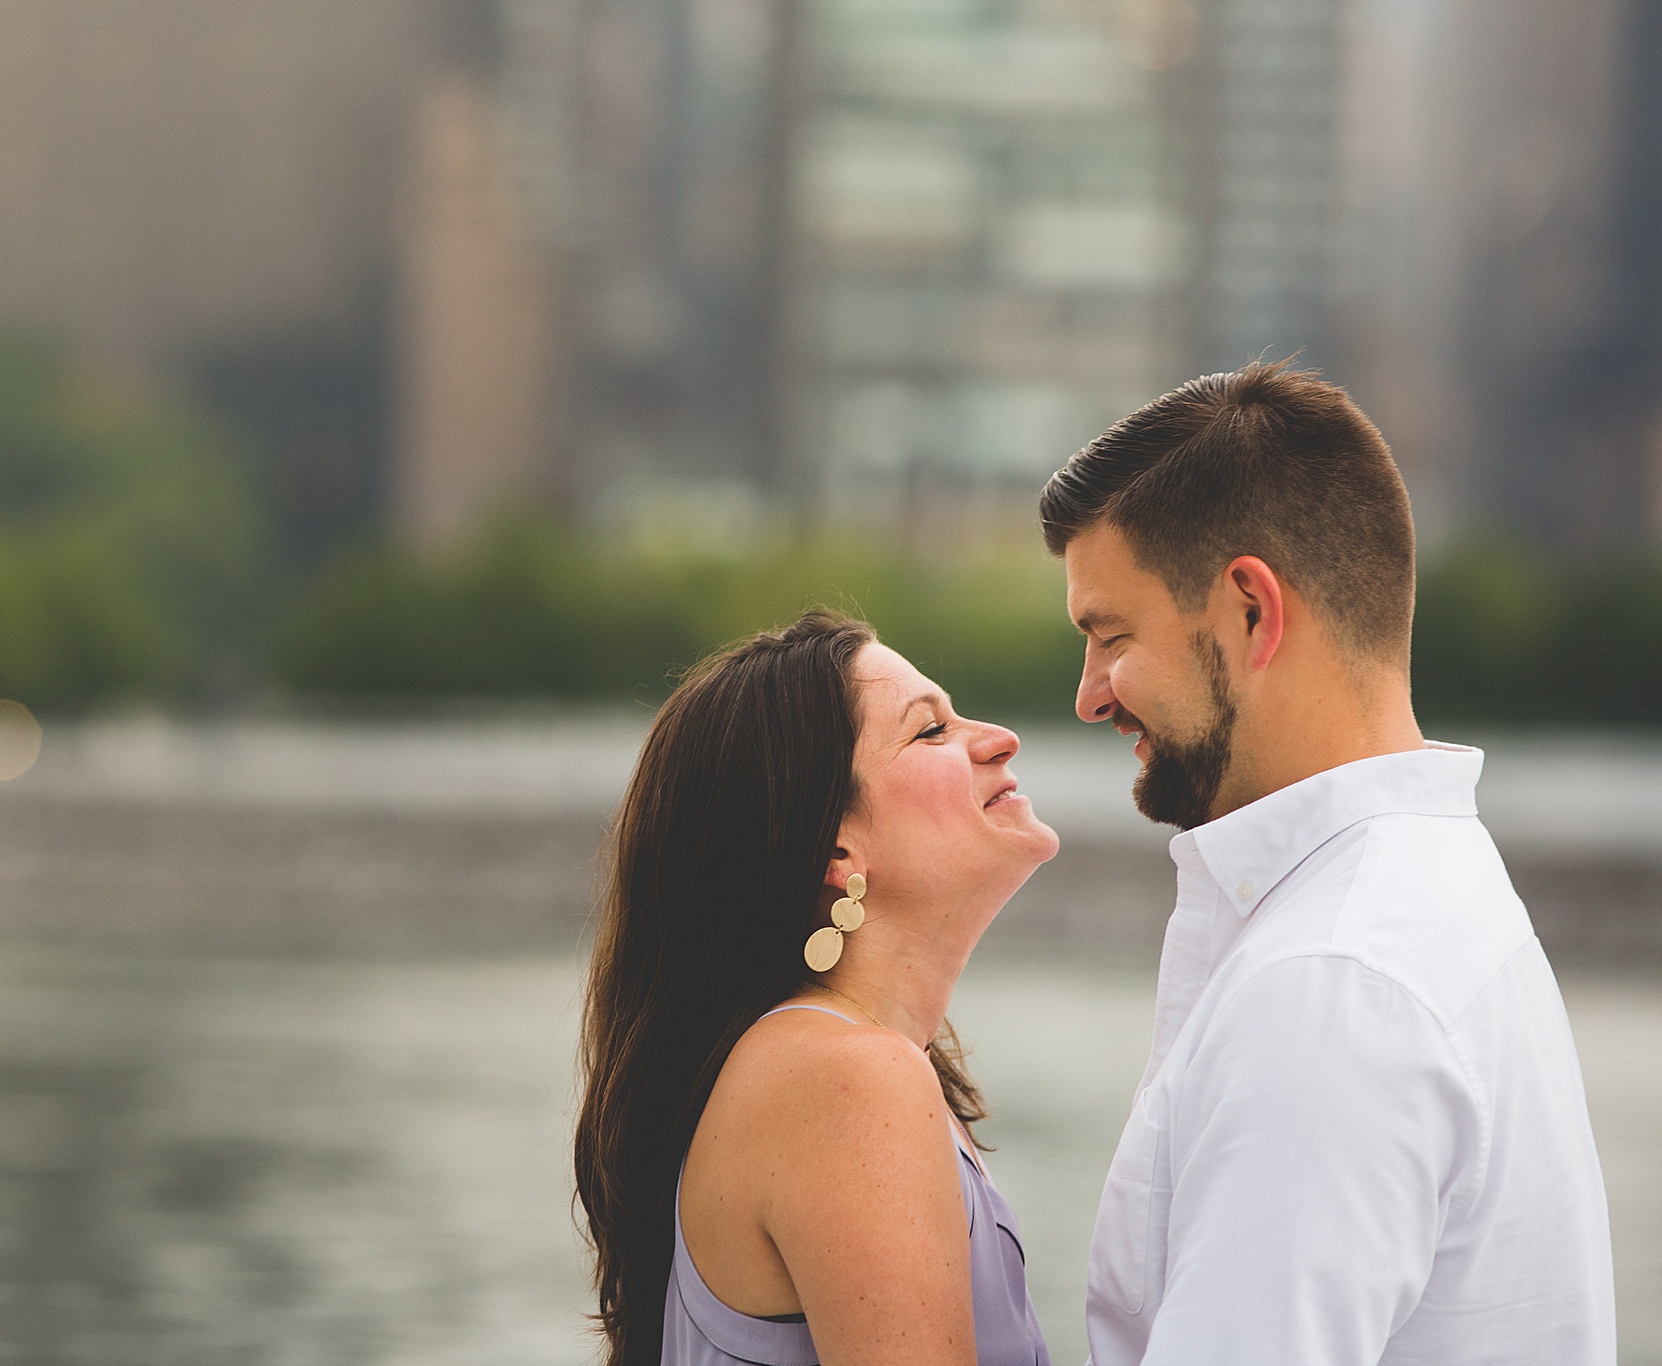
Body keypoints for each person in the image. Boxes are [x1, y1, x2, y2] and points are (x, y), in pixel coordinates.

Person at [1041, 361, 1615, 1365]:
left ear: (1250, 611)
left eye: (1111, 635)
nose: (1089, 695)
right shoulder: (1431, 901)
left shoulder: (1334, 984)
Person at [575, 610, 1060, 1366]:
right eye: (930, 732)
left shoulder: (842, 1065)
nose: (999, 737)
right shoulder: (847, 1077)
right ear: (837, 844)